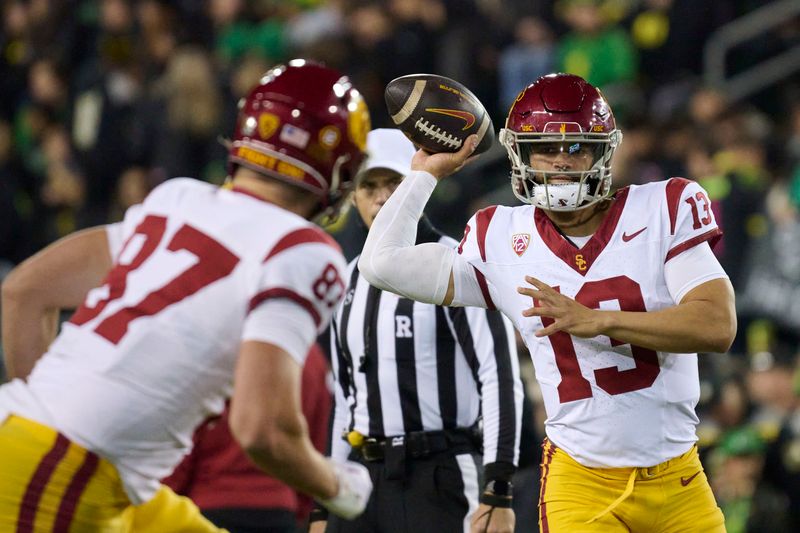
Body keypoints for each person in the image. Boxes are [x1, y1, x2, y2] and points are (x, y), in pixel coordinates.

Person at [0, 60, 373, 532]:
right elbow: (263, 429)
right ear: (340, 166)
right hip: (58, 473)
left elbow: (24, 292)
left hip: (52, 449)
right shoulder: (304, 251)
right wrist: (337, 486)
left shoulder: (178, 199)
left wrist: (54, 410)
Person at [358, 73, 737, 533]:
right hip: (581, 482)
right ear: (520, 153)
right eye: (545, 148)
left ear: (603, 151)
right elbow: (380, 264)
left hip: (679, 477)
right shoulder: (498, 235)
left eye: (576, 148)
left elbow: (716, 325)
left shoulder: (664, 205)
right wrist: (425, 174)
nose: (561, 161)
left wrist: (597, 320)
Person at [309, 128, 523, 533]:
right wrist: (325, 498)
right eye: (369, 186)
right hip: (361, 474)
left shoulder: (454, 262)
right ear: (353, 194)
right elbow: (344, 393)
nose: (382, 197)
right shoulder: (347, 277)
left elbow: (499, 375)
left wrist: (498, 487)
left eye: (394, 183)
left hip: (437, 473)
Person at [163, 343, 332, 533]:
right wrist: (299, 507)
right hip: (279, 511)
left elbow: (185, 437)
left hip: (208, 505)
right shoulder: (309, 355)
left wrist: (166, 499)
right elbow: (317, 441)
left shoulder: (219, 349)